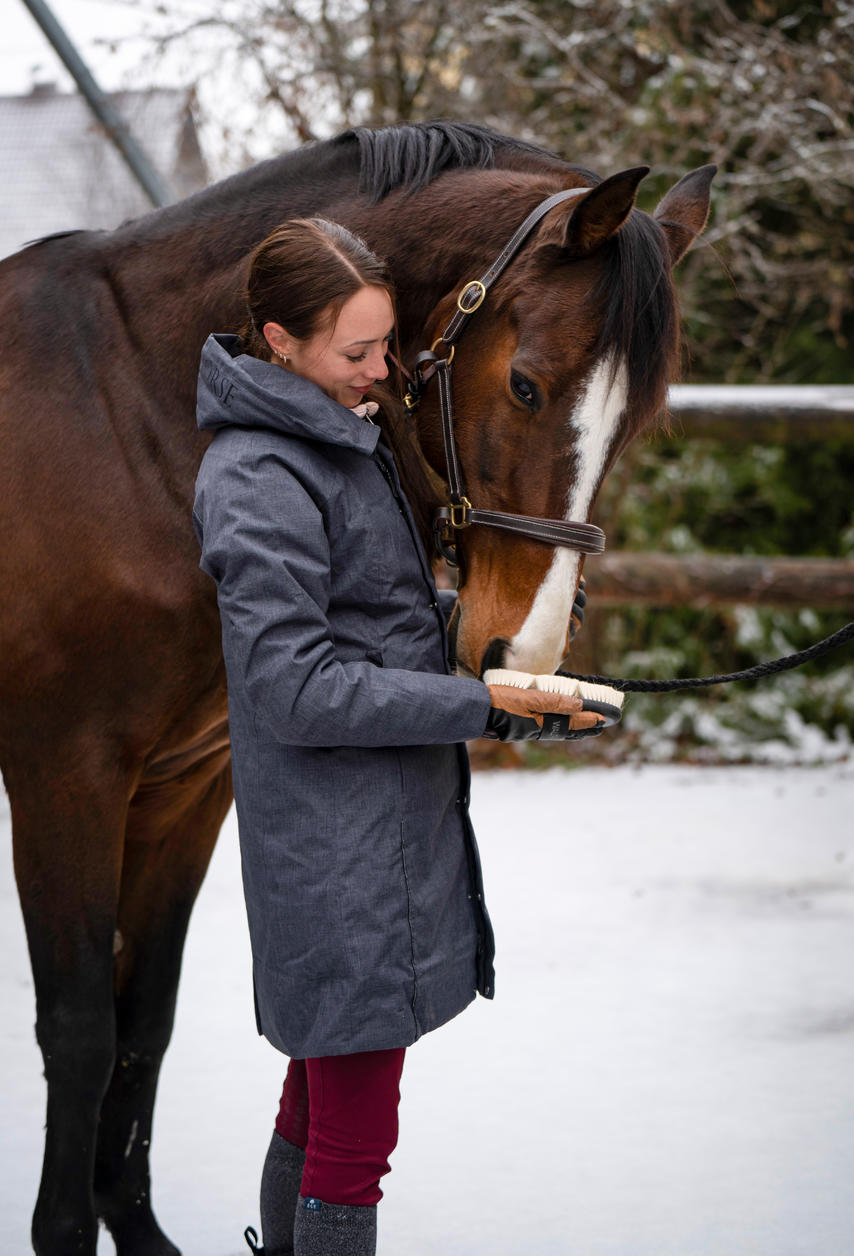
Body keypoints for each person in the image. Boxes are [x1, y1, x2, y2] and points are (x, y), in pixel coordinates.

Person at [192, 217, 604, 1256]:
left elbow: (372, 620)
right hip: (336, 849)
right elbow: (297, 687)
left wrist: (505, 683)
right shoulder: (257, 476)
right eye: (355, 352)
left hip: (371, 830)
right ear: (278, 340)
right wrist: (476, 707)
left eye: (386, 346)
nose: (381, 374)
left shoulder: (341, 436)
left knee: (320, 1091)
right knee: (351, 1136)